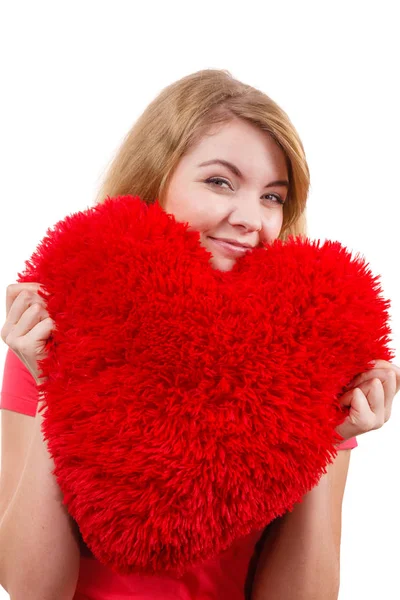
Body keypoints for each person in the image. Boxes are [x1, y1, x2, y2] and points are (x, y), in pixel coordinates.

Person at [0, 68, 399, 600]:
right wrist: (61, 384)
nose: (250, 219)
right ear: (155, 176)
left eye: (273, 197)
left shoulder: (310, 352)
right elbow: (34, 590)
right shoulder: (59, 328)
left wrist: (324, 437)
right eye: (220, 182)